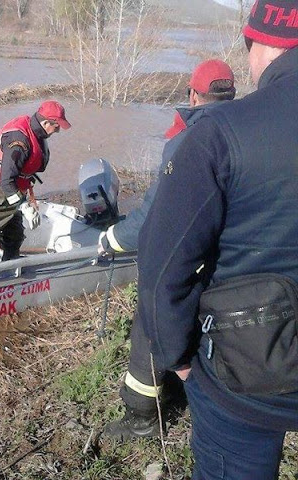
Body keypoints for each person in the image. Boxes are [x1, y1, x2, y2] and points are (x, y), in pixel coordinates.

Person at [137, 1, 298, 478]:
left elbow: (163, 265)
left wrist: (177, 358)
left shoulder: (218, 134)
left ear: (258, 43)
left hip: (240, 381)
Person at [100, 59, 237, 441]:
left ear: (193, 95)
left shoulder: (188, 140)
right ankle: (185, 386)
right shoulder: (244, 129)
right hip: (225, 262)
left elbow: (155, 212)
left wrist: (114, 239)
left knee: (151, 321)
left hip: (189, 258)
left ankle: (143, 415)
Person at [0, 101, 71, 267]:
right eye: (57, 126)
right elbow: (6, 180)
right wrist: (24, 206)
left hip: (13, 189)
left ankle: (10, 265)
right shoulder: (19, 141)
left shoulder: (37, 131)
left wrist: (24, 203)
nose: (58, 130)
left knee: (14, 233)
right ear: (46, 123)